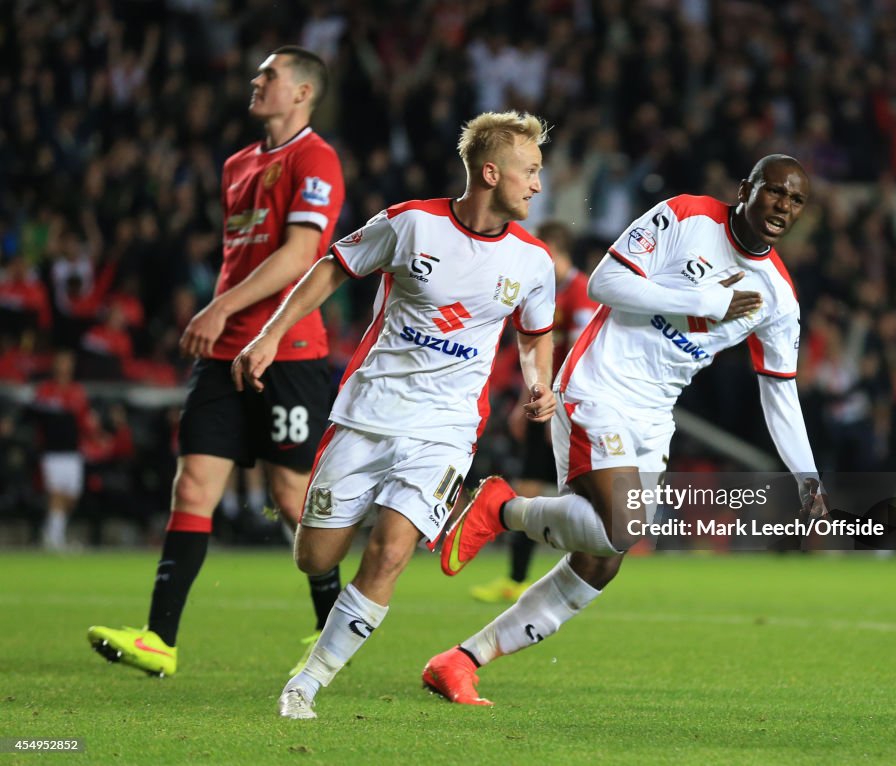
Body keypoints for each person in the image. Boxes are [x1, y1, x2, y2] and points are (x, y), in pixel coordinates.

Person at [425, 154, 830, 705]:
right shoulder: (686, 215)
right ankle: (501, 509)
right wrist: (707, 300)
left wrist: (806, 476)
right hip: (599, 383)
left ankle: (461, 660)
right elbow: (606, 282)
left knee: (602, 561)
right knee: (623, 524)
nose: (783, 206)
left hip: (655, 414)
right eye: (775, 191)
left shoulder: (779, 298)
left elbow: (778, 388)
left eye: (796, 200)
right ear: (746, 189)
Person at [232, 110, 558, 720]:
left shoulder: (534, 261)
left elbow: (536, 334)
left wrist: (538, 383)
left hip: (446, 429)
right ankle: (331, 571)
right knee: (315, 558)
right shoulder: (411, 225)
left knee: (389, 552)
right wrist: (272, 335)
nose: (538, 184)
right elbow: (332, 266)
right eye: (531, 170)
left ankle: (306, 682)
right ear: (491, 172)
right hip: (368, 413)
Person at [87, 46, 345, 677]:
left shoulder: (317, 158)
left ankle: (334, 629)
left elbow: (301, 254)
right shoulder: (237, 165)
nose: (256, 82)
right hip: (224, 350)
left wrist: (217, 307)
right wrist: (222, 317)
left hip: (289, 350)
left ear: (304, 92)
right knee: (194, 485)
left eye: (271, 75)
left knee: (291, 497)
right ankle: (159, 639)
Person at [471, 220, 598, 604]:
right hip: (546, 404)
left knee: (583, 499)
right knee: (527, 488)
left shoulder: (581, 293)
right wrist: (526, 401)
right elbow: (532, 349)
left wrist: (561, 410)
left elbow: (581, 356)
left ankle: (584, 576)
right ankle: (516, 580)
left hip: (573, 409)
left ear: (555, 252)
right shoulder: (541, 291)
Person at [31, 349, 91, 551]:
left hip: (73, 452)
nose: (64, 366)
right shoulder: (45, 390)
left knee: (72, 496)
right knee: (56, 493)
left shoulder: (77, 391)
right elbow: (37, 416)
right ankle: (54, 539)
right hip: (52, 451)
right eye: (61, 362)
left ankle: (51, 530)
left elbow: (84, 421)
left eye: (68, 363)